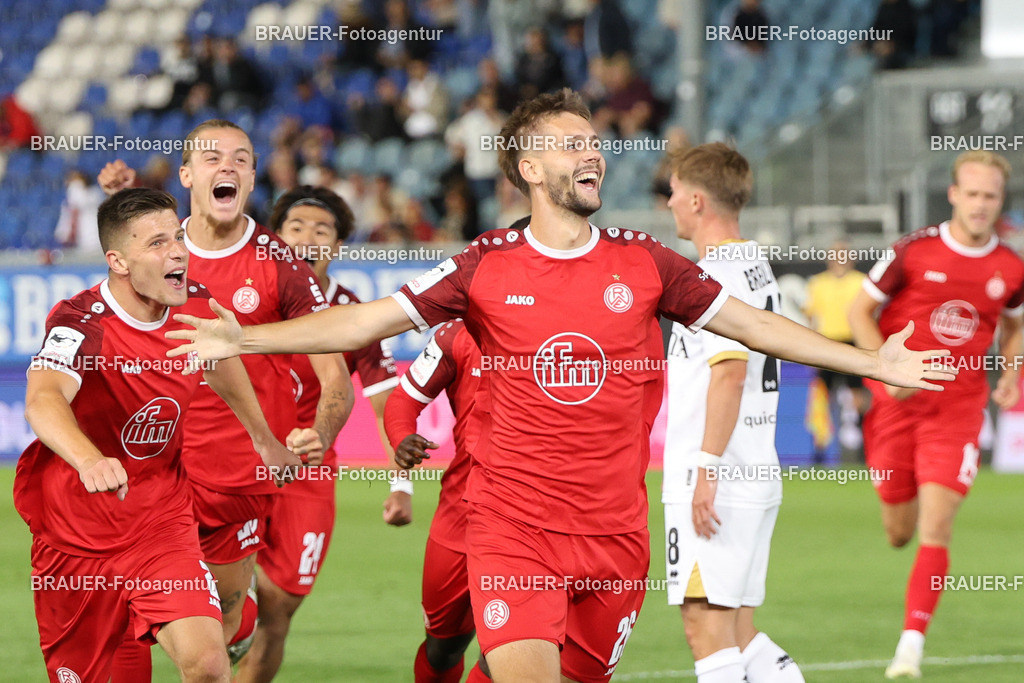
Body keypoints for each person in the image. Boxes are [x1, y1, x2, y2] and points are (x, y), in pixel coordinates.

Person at [167, 89, 955, 683]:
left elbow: (751, 327)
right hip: (514, 532)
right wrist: (246, 335)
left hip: (614, 540)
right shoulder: (484, 265)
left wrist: (874, 360)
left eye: (596, 143)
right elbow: (363, 320)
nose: (594, 154)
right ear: (528, 167)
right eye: (572, 144)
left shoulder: (646, 262)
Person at [98, 120, 354, 674]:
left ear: (253, 177)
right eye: (213, 157)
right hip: (155, 468)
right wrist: (123, 200)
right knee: (160, 635)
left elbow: (335, 376)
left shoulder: (280, 265)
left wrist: (322, 434)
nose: (228, 167)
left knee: (225, 617)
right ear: (187, 175)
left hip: (239, 475)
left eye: (242, 159)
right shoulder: (150, 248)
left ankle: (232, 622)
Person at [14, 188, 299, 683]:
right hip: (75, 538)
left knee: (209, 664)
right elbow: (43, 398)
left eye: (178, 238)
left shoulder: (197, 307)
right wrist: (89, 460)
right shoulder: (80, 324)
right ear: (118, 261)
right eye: (157, 243)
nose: (177, 252)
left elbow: (219, 363)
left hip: (159, 522)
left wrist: (263, 437)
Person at [848, 150, 1024, 679]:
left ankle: (910, 649)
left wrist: (1011, 371)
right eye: (971, 194)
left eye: (989, 196)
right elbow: (859, 311)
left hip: (958, 409)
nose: (979, 205)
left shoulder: (1011, 266)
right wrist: (883, 370)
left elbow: (1015, 325)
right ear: (953, 194)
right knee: (898, 530)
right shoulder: (914, 251)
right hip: (897, 408)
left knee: (936, 527)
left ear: (1000, 201)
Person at [237, 185, 403, 682]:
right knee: (223, 605)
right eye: (296, 227)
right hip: (239, 463)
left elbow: (386, 405)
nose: (309, 236)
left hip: (307, 476)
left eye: (322, 229)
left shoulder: (354, 315)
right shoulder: (246, 292)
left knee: (279, 608)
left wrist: (401, 483)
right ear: (276, 238)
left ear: (337, 245)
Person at [662, 143, 803, 683]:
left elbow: (730, 372)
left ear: (697, 201)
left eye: (674, 191)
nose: (669, 202)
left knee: (705, 628)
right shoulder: (755, 265)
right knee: (740, 631)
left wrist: (707, 469)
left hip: (720, 477)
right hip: (754, 469)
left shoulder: (715, 275)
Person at [384, 318, 488, 682]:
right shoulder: (456, 334)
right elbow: (403, 399)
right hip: (461, 511)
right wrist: (401, 437)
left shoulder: (563, 329)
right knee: (443, 647)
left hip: (533, 513)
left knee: (510, 644)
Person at [803, 242, 868, 459]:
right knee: (821, 397)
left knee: (857, 395)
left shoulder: (860, 281)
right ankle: (820, 447)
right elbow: (811, 316)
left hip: (852, 343)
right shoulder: (819, 283)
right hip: (827, 344)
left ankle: (862, 444)